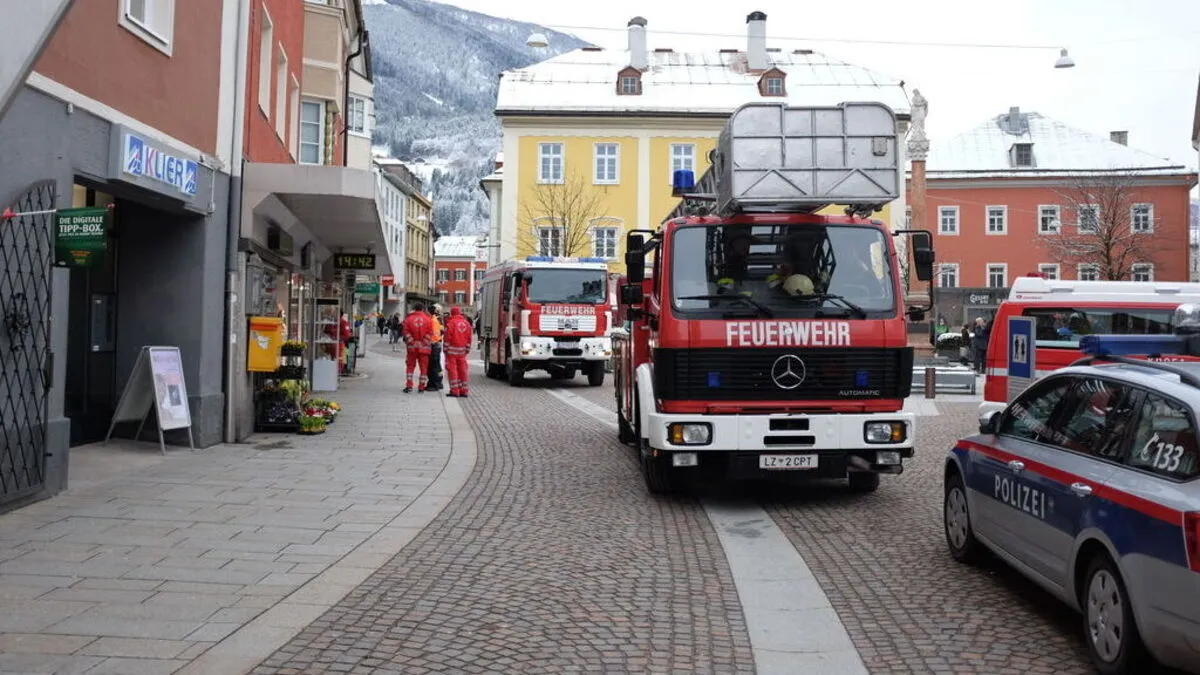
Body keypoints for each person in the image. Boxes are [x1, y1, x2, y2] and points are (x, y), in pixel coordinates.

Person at [402, 303, 434, 393]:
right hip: (424, 349)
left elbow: (406, 332)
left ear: (414, 309)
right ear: (423, 309)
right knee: (423, 368)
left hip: (412, 348)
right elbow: (430, 333)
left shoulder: (408, 319)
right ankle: (421, 387)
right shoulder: (428, 319)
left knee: (410, 367)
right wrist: (422, 343)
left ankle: (409, 386)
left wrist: (413, 342)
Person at [443, 307, 474, 397]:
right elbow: (469, 338)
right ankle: (463, 390)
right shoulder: (467, 323)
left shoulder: (451, 323)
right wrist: (467, 349)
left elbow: (447, 338)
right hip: (462, 352)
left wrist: (445, 349)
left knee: (452, 370)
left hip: (452, 352)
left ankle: (454, 390)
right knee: (463, 370)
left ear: (452, 313)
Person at [427, 304, 445, 391]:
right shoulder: (437, 320)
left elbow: (433, 334)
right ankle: (439, 382)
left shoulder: (432, 320)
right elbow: (441, 331)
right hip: (437, 344)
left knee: (433, 366)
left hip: (433, 345)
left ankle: (434, 384)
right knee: (437, 365)